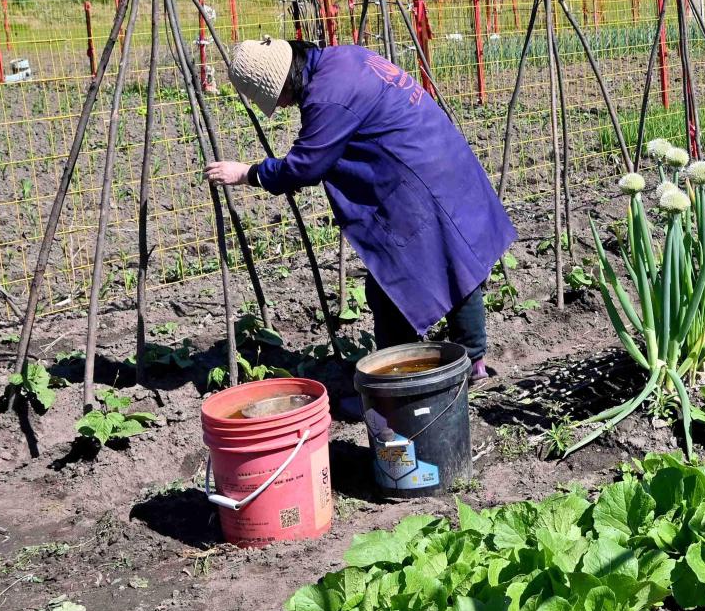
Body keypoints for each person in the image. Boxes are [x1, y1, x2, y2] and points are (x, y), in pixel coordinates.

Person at [205, 37, 515, 376]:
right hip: (436, 152)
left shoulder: (328, 95)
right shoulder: (344, 57)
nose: (278, 107)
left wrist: (249, 173)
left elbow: (306, 166)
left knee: (391, 286)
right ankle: (473, 364)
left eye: (274, 98)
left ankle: (402, 381)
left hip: (414, 177)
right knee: (457, 262)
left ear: (283, 82)